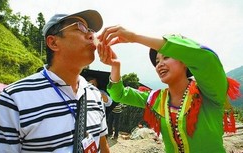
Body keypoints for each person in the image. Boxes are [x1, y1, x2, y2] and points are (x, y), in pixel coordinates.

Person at [97, 26, 241, 153]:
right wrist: (115, 65)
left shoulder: (209, 93)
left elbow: (206, 59)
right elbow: (119, 94)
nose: (159, 64)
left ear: (185, 60)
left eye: (166, 57)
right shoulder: (157, 99)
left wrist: (135, 37)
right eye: (157, 61)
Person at [0, 10, 110, 153]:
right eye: (80, 27)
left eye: (91, 30)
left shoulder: (94, 94)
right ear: (53, 42)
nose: (92, 35)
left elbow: (103, 147)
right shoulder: (14, 99)